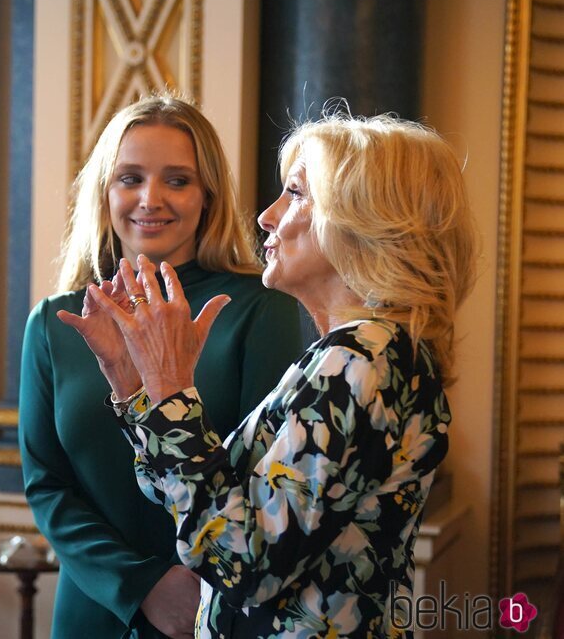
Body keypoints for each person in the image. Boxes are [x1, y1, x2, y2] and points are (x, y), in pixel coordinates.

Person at [63, 113, 479, 637]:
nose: (266, 216)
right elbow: (193, 495)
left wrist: (170, 386)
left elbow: (243, 563)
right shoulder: (370, 355)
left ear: (362, 218)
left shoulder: (358, 361)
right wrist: (136, 383)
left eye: (296, 193)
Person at [19, 95, 303, 639]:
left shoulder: (258, 307)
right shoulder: (53, 321)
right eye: (130, 178)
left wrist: (191, 584)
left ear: (208, 196)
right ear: (105, 192)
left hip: (217, 607)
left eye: (177, 180)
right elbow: (46, 486)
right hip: (93, 612)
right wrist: (140, 584)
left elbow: (266, 478)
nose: (151, 199)